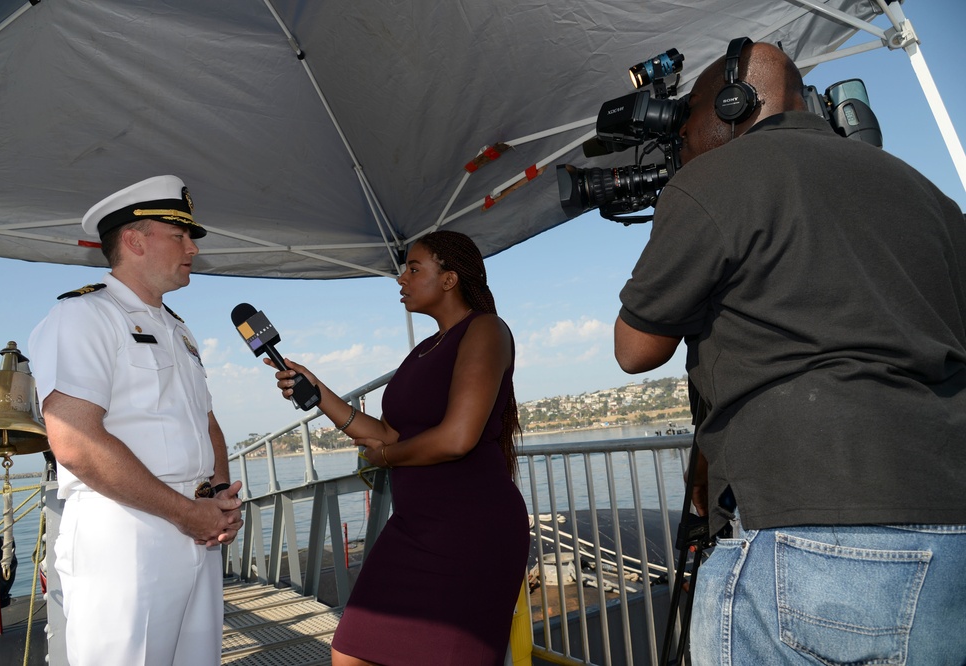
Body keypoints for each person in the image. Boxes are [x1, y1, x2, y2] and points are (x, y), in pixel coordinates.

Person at [613, 39, 966, 664]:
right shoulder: (927, 193)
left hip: (808, 528)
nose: (682, 136)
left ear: (732, 103)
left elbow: (636, 349)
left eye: (690, 114)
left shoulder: (714, 180)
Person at [268, 230, 530, 666]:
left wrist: (385, 458)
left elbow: (456, 438)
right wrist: (318, 390)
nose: (400, 279)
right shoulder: (425, 350)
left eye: (413, 268)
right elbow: (388, 433)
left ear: (449, 279)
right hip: (415, 527)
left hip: (471, 531)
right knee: (351, 651)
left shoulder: (486, 330)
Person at [28, 175, 244, 665]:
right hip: (127, 534)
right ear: (134, 240)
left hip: (194, 526)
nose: (192, 248)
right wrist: (186, 513)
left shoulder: (176, 328)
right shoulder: (84, 317)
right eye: (180, 236)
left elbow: (204, 422)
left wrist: (218, 499)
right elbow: (75, 441)